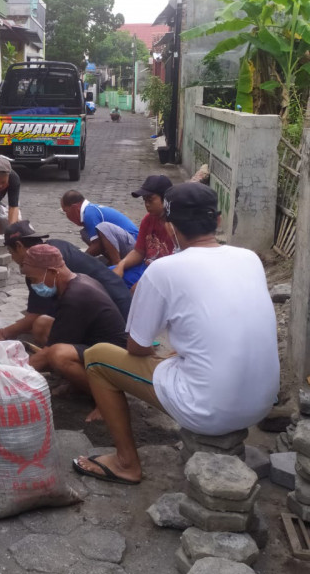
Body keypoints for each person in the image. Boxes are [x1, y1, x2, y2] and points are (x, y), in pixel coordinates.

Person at [73, 183, 280, 485]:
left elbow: (136, 345)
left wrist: (162, 355)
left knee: (96, 358)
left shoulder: (163, 269)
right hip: (261, 403)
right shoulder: (249, 258)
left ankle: (125, 463)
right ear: (218, 221)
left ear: (170, 228)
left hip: (209, 408)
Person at [20, 244, 128, 420]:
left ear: (53, 272)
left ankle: (108, 400)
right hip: (94, 345)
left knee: (57, 355)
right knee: (42, 324)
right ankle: (78, 383)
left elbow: (49, 352)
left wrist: (13, 374)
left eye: (34, 279)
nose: (33, 286)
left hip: (115, 360)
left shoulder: (77, 295)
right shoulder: (75, 281)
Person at [0, 221, 131, 350]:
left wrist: (4, 332)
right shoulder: (54, 248)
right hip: (124, 304)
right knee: (40, 325)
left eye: (11, 252)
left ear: (19, 246)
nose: (13, 259)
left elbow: (35, 315)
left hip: (113, 325)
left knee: (48, 337)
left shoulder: (39, 264)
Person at [113, 174, 174, 288]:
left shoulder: (176, 225)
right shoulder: (148, 219)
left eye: (150, 200)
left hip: (164, 276)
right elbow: (139, 252)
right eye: (145, 200)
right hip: (144, 267)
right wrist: (121, 264)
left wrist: (143, 284)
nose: (146, 204)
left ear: (166, 199)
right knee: (107, 275)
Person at [60, 190, 138, 266]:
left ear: (74, 208)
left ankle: (116, 264)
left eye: (66, 211)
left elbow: (97, 245)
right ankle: (110, 260)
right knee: (85, 233)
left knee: (103, 228)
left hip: (134, 246)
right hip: (128, 243)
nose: (67, 215)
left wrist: (80, 260)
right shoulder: (90, 209)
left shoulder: (89, 213)